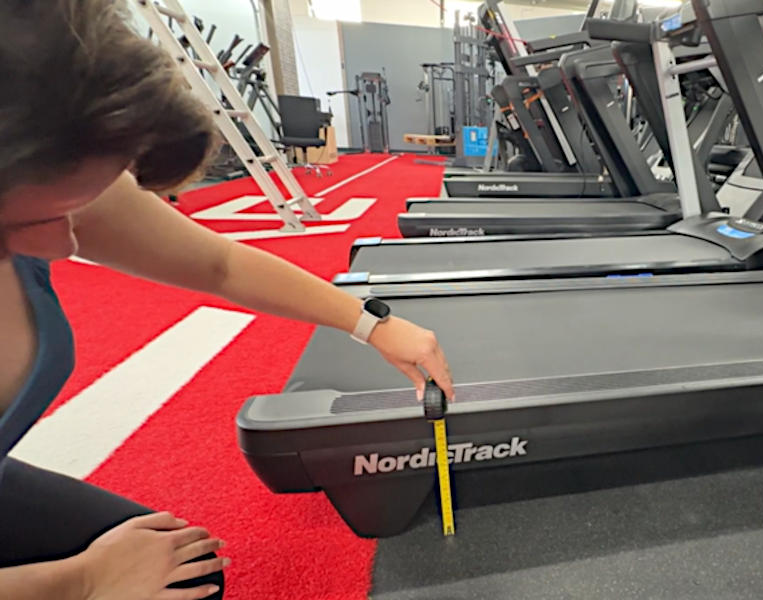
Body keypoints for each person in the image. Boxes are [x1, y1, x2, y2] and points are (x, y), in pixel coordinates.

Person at [0, 1, 455, 599]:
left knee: (192, 573)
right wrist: (83, 580)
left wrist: (371, 324)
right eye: (30, 223)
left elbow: (218, 262)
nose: (64, 245)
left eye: (73, 210)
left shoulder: (46, 170)